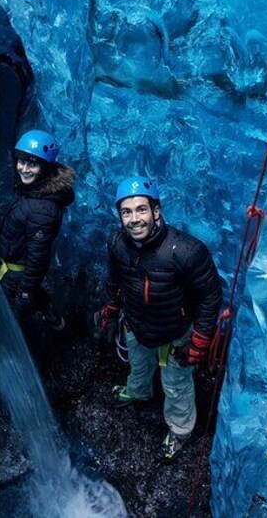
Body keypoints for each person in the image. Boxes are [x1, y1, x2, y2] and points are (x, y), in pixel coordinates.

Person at [94, 176, 222, 460]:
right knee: (138, 366)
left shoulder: (186, 251)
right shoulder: (117, 242)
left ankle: (180, 431)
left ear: (156, 211)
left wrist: (200, 340)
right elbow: (115, 280)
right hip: (137, 324)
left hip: (175, 332)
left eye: (141, 210)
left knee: (176, 387)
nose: (134, 219)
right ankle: (138, 392)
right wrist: (111, 311)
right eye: (126, 212)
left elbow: (210, 296)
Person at [0, 129, 75, 339]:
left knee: (7, 319)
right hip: (14, 267)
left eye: (32, 164)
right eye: (21, 161)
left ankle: (9, 357)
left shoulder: (42, 209)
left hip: (15, 274)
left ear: (45, 168)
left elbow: (37, 258)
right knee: (33, 296)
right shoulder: (37, 191)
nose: (24, 168)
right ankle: (55, 319)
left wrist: (24, 294)